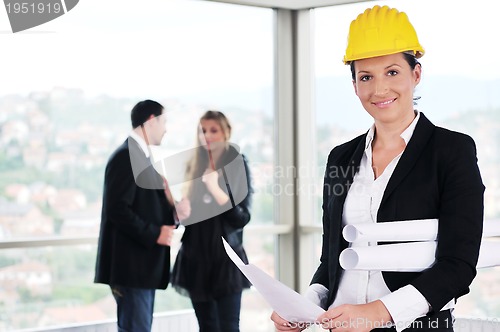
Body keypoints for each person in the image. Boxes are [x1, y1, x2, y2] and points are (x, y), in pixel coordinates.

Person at [271, 5, 484, 332]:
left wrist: (380, 311)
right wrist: (304, 304)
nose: (379, 89)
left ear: (416, 74)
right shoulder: (340, 158)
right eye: (366, 77)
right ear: (355, 85)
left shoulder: (452, 150)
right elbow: (332, 260)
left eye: (392, 72)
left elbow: (458, 265)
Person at [94, 99, 190, 332]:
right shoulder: (127, 156)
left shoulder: (139, 156)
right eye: (164, 122)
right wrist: (155, 233)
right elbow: (117, 208)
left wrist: (173, 212)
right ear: (151, 121)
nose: (165, 128)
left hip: (139, 267)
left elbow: (142, 206)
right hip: (132, 267)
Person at [171, 110, 252, 332]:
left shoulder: (237, 164)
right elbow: (189, 217)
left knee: (227, 327)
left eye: (213, 130)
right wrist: (180, 212)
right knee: (206, 327)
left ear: (226, 133)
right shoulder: (194, 164)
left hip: (225, 261)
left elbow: (242, 217)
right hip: (195, 258)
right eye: (202, 130)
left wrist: (216, 189)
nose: (206, 136)